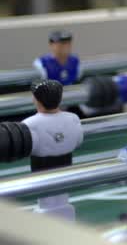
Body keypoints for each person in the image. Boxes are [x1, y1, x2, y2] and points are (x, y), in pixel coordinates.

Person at [22, 79, 84, 219]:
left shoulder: (29, 124)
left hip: (42, 174)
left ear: (37, 99)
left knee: (47, 206)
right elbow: (78, 141)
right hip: (65, 171)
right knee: (61, 202)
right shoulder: (73, 119)